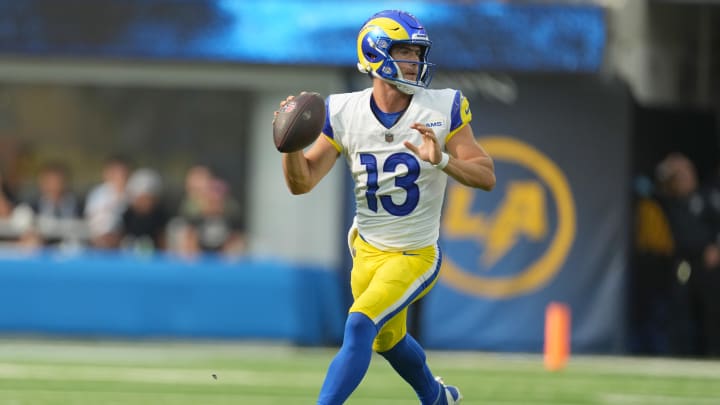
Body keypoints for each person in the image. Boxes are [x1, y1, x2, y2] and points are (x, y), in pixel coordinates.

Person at [275, 10, 495, 405]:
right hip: (366, 249)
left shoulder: (442, 108)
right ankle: (437, 397)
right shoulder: (344, 111)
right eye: (406, 52)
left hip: (414, 252)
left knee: (360, 326)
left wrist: (443, 160)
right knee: (387, 341)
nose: (415, 62)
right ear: (375, 52)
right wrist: (289, 147)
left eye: (417, 53)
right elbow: (302, 181)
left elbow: (485, 174)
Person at [84, 155, 131, 249]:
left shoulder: (133, 193)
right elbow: (92, 220)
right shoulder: (98, 194)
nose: (119, 177)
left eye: (122, 173)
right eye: (115, 173)